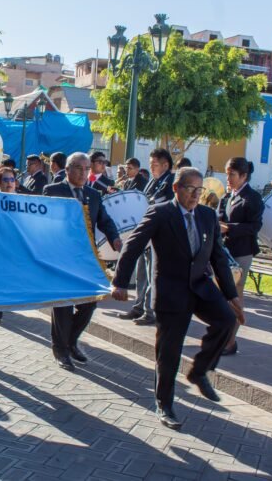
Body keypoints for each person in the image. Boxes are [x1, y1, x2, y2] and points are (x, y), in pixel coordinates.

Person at [110, 167, 242, 430]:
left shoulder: (206, 215)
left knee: (227, 321)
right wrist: (120, 282)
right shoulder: (161, 213)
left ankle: (199, 370)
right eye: (189, 189)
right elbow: (133, 245)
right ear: (176, 188)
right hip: (172, 290)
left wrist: (232, 296)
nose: (194, 195)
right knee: (169, 352)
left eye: (198, 190)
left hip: (201, 286)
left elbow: (218, 257)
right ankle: (165, 404)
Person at [43, 153, 121, 371]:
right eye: (78, 168)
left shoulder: (93, 195)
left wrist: (115, 238)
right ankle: (61, 350)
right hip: (60, 258)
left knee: (89, 301)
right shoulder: (53, 191)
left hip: (85, 258)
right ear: (67, 170)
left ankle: (70, 340)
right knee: (64, 305)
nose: (83, 173)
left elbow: (105, 220)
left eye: (87, 169)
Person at [118, 148, 175, 325]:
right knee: (142, 271)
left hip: (159, 234)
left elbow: (162, 203)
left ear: (165, 165)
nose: (151, 168)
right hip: (147, 232)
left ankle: (150, 311)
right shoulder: (153, 181)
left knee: (152, 274)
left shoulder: (170, 182)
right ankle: (138, 306)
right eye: (150, 164)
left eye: (154, 164)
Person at [218, 157, 263, 354]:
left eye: (232, 175)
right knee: (224, 295)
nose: (228, 178)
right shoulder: (229, 195)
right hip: (225, 250)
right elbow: (220, 216)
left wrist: (229, 228)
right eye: (227, 174)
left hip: (242, 251)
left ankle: (230, 341)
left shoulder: (252, 198)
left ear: (244, 176)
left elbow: (254, 227)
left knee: (234, 294)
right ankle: (224, 338)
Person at [0, 166, 18, 325]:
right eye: (5, 180)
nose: (9, 183)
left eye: (12, 180)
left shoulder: (24, 200)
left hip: (15, 246)